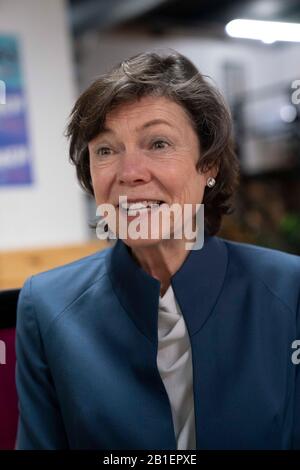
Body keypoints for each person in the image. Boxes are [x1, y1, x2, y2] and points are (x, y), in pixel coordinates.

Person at [15, 49, 300, 450]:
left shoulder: (290, 290)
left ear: (209, 165)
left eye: (159, 143)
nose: (130, 173)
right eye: (106, 150)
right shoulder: (45, 307)